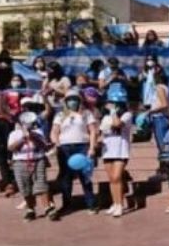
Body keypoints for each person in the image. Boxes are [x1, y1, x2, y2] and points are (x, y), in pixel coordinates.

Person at [50, 90, 98, 218]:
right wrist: (57, 143)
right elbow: (54, 132)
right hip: (65, 147)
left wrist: (92, 148)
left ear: (80, 100)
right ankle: (66, 205)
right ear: (65, 101)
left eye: (75, 99)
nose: (72, 101)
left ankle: (91, 203)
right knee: (66, 178)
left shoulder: (86, 114)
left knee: (85, 176)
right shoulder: (60, 115)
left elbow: (93, 131)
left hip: (82, 146)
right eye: (70, 99)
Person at [8, 112, 56, 221]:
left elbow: (44, 146)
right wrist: (23, 139)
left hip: (38, 160)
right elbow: (11, 148)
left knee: (41, 184)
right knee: (25, 187)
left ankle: (48, 208)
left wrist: (33, 137)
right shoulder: (14, 134)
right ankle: (30, 209)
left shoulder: (38, 132)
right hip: (20, 162)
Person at [100, 87, 133, 217]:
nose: (110, 105)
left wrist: (113, 112)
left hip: (121, 150)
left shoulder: (127, 115)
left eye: (114, 103)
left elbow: (118, 124)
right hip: (108, 150)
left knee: (117, 177)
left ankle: (120, 204)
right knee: (111, 179)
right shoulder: (105, 117)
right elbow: (102, 131)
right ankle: (114, 203)